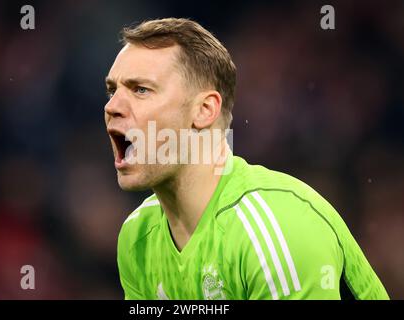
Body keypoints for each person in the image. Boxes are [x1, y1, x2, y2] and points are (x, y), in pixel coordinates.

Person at [103, 18, 389, 300]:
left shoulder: (276, 229)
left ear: (204, 110)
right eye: (112, 91)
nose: (112, 106)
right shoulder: (137, 236)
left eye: (141, 89)